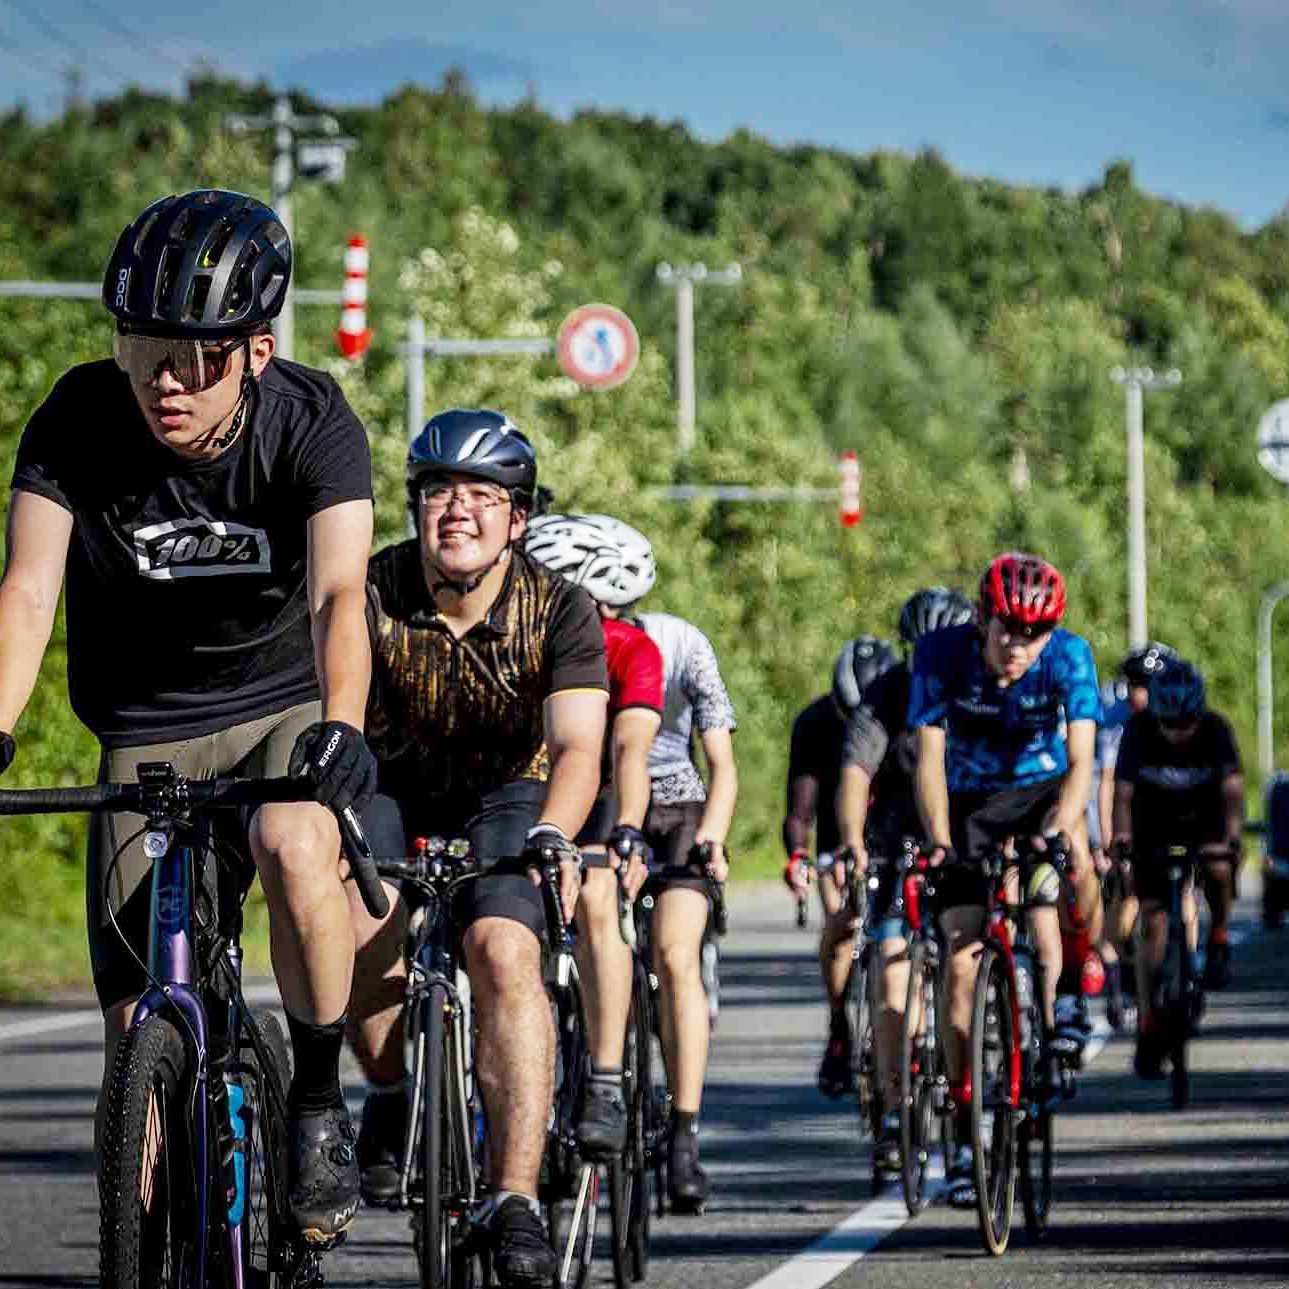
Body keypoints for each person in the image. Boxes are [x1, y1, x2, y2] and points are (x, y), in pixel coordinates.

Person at [0, 189, 377, 1244]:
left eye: (195, 358)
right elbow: (26, 591)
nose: (163, 381)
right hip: (144, 725)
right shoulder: (77, 418)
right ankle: (152, 1236)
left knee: (294, 837)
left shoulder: (312, 418)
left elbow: (342, 594)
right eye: (142, 350)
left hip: (280, 706)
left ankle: (311, 1100)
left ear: (256, 349)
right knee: (135, 1032)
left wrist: (341, 724)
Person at [344, 409, 607, 1288]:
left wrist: (550, 834)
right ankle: (386, 1089)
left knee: (503, 948)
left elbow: (576, 747)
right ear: (416, 505)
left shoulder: (560, 607)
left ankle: (516, 1197)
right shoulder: (370, 586)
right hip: (389, 781)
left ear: (517, 518)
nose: (456, 511)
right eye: (437, 492)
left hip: (512, 794)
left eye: (481, 496)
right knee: (360, 915)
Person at [909, 552, 1101, 1209]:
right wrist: (938, 842)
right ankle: (964, 1134)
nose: (1018, 645)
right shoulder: (939, 654)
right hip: (966, 802)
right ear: (982, 620)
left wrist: (1060, 825)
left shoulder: (1068, 657)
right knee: (959, 962)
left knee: (1073, 850)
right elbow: (928, 758)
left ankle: (1072, 985)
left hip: (1042, 788)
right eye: (1007, 630)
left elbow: (1081, 760)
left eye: (1033, 633)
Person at [524, 512, 665, 1158]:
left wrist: (629, 830)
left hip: (599, 793)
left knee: (600, 899)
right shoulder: (514, 628)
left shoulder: (630, 647)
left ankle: (605, 1076)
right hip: (522, 792)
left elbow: (632, 750)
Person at [836, 589, 972, 1179]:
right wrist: (852, 843)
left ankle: (978, 1092)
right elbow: (853, 776)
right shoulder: (888, 694)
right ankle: (894, 1110)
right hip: (899, 849)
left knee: (965, 970)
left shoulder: (980, 691)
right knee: (892, 983)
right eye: (920, 649)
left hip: (966, 839)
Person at [637, 607, 738, 1212]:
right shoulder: (554, 629)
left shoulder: (683, 643)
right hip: (596, 800)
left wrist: (715, 837)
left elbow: (721, 765)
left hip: (677, 807)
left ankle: (683, 1134)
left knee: (676, 956)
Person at [1111, 657, 1243, 1079]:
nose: (1178, 735)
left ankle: (1219, 936)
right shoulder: (1138, 732)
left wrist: (1232, 839)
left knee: (1219, 870)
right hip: (1152, 828)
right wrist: (1122, 842)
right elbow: (1124, 797)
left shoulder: (1217, 731)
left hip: (1204, 823)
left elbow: (1233, 791)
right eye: (1170, 726)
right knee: (1153, 925)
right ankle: (1149, 1019)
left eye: (1186, 725)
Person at [781, 635, 899, 1100]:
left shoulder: (905, 709)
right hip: (839, 834)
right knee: (841, 922)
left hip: (893, 829)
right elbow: (800, 807)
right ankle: (839, 1025)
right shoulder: (813, 723)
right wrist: (799, 855)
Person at [1090, 642, 1175, 1030]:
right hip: (1129, 821)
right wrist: (1109, 840)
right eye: (1136, 685)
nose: (1141, 694)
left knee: (1183, 898)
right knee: (1123, 912)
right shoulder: (1117, 723)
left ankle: (1189, 960)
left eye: (1149, 685)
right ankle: (1121, 990)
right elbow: (1107, 783)